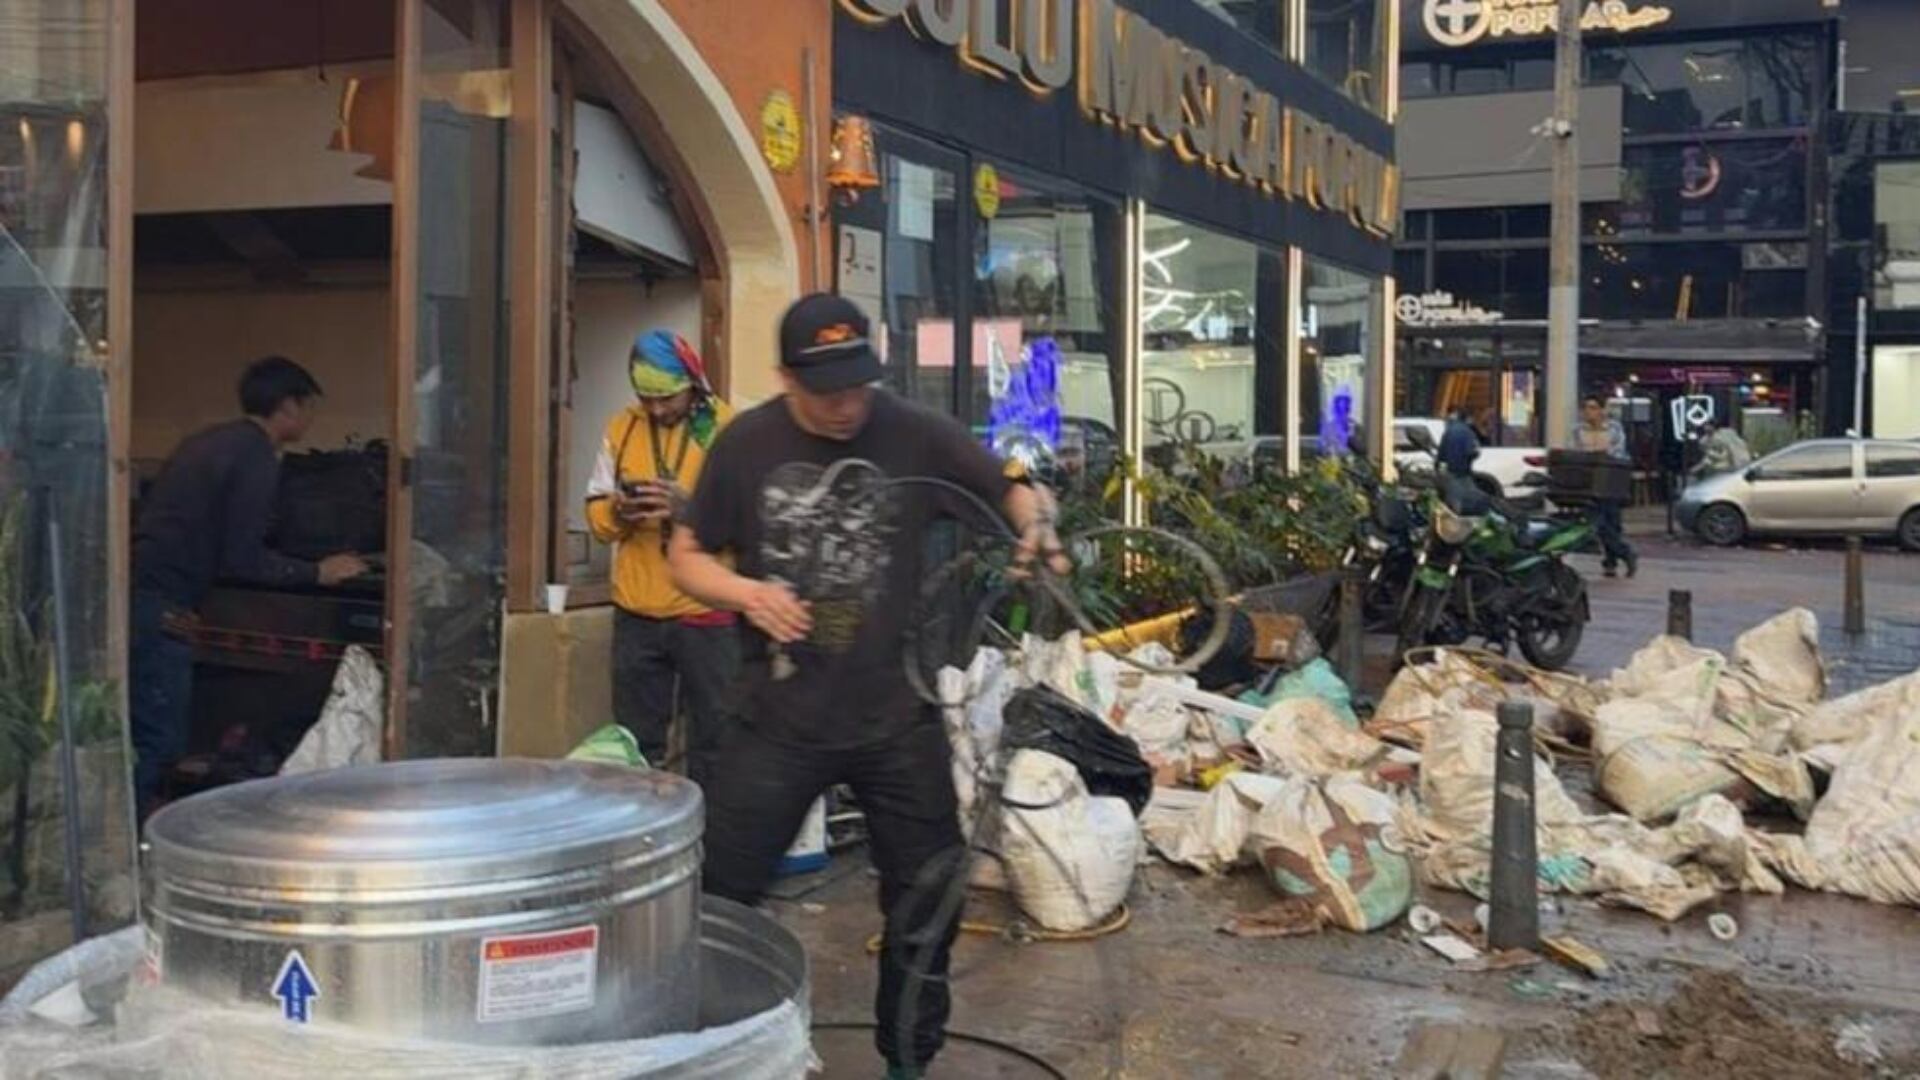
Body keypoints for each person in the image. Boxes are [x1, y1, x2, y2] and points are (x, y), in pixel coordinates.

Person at [669, 294, 1065, 1080]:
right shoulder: (746, 444)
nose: (848, 405)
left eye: (858, 386)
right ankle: (701, 1054)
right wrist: (748, 593)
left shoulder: (911, 429)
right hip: (776, 716)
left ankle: (909, 1060)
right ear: (786, 378)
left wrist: (1035, 519)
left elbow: (1010, 481)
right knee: (715, 901)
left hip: (895, 714)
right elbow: (687, 554)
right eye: (827, 392)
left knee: (928, 896)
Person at [130, 357, 368, 818]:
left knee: (150, 736)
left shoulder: (209, 442)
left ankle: (138, 838)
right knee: (159, 741)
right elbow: (244, 556)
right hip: (164, 610)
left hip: (145, 600)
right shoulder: (255, 455)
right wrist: (318, 572)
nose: (311, 418)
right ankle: (141, 848)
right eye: (309, 407)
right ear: (288, 406)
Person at [584, 330, 737, 784]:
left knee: (717, 737)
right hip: (638, 611)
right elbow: (594, 513)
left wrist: (691, 511)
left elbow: (751, 524)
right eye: (645, 397)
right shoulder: (621, 428)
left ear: (692, 382)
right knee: (635, 741)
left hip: (706, 613)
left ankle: (715, 844)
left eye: (666, 397)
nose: (655, 409)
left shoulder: (728, 431)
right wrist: (619, 511)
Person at [1573, 395, 1638, 578]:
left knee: (1612, 522)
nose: (1589, 412)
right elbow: (1578, 452)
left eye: (1593, 407)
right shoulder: (1578, 430)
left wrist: (1599, 456)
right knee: (1598, 523)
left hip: (1611, 480)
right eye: (1586, 408)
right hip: (1589, 482)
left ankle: (1612, 559)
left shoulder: (1614, 428)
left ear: (1602, 410)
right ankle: (1624, 553)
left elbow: (1618, 451)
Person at [1438, 407, 1481, 480]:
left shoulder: (1448, 431)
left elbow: (1441, 453)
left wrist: (1441, 472)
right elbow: (1471, 452)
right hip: (1462, 473)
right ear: (1467, 419)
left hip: (1449, 472)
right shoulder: (1469, 433)